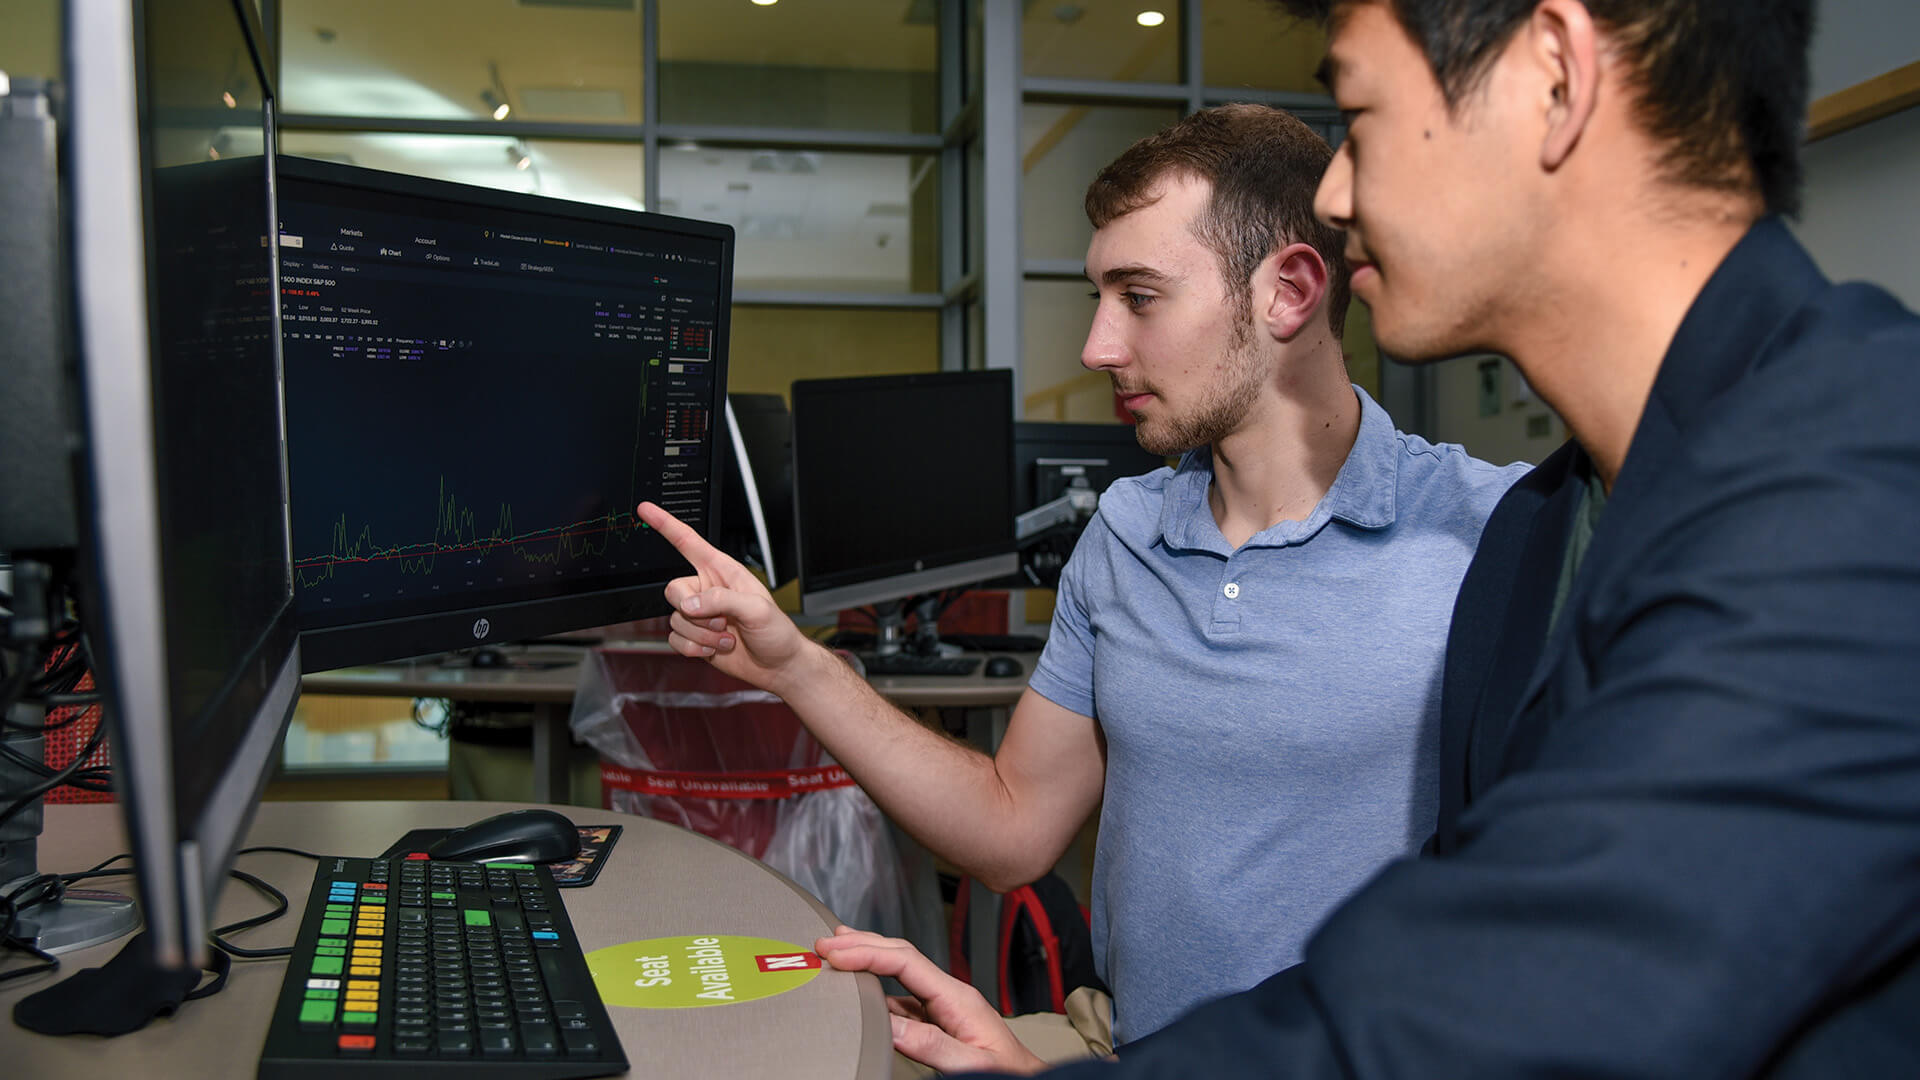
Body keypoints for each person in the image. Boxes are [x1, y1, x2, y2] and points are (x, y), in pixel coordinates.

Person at [828, 0, 1920, 1075]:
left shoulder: (1862, 483)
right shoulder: (1551, 528)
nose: (1339, 191)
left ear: (1553, 75)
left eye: (1362, 111)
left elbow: (1522, 996)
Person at [641, 103, 1523, 1061]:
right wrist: (794, 666)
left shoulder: (1487, 535)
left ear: (1290, 292)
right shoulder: (1126, 532)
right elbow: (1012, 827)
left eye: (1139, 297)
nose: (1097, 346)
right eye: (1100, 297)